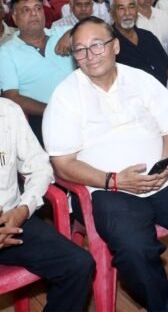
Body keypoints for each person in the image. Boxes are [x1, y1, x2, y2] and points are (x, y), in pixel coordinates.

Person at [43, 17, 168, 311]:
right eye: (80, 49)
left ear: (115, 46)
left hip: (162, 178)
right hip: (107, 188)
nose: (90, 55)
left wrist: (165, 162)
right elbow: (62, 164)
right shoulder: (65, 95)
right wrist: (113, 180)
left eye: (97, 45)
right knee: (134, 248)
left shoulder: (141, 80)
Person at [0, 97, 96, 311]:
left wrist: (23, 209)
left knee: (78, 265)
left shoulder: (7, 111)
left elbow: (40, 167)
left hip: (13, 220)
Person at [0, 0, 75, 142]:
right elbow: (12, 97)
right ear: (14, 18)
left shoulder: (61, 33)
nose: (34, 13)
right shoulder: (6, 53)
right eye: (25, 10)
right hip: (42, 117)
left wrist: (74, 32)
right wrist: (52, 110)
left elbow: (101, 30)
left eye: (38, 8)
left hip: (82, 107)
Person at [111, 0, 168, 85]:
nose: (127, 13)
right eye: (121, 8)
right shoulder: (109, 43)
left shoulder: (148, 37)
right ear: (112, 13)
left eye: (131, 7)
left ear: (137, 10)